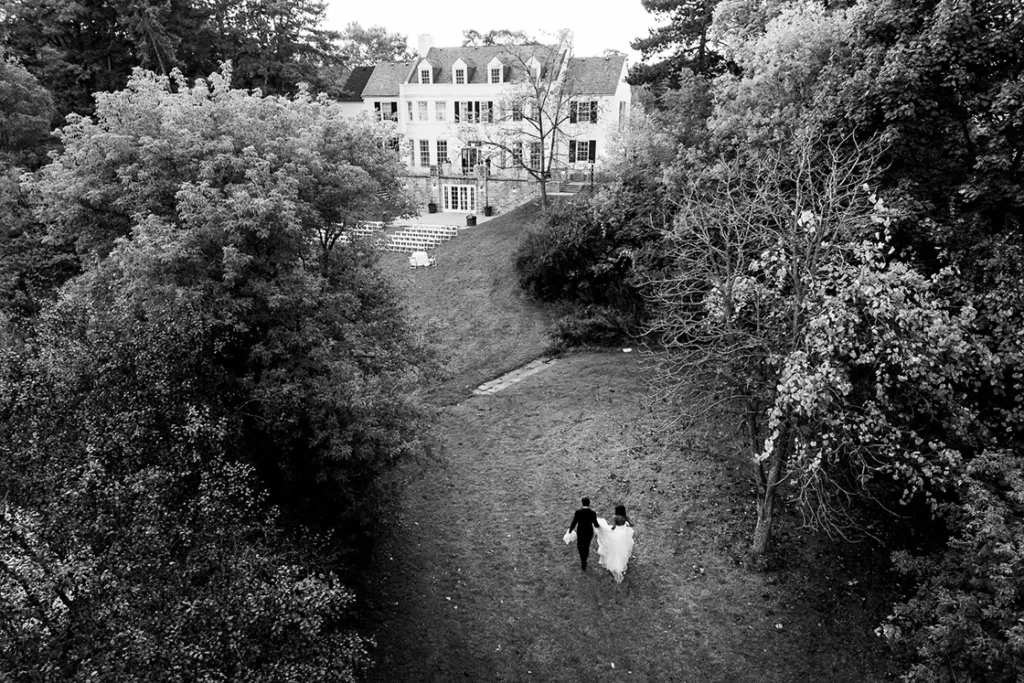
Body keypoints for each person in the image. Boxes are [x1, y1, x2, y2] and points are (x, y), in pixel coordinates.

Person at [596, 512, 635, 583]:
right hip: (622, 547)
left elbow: (606, 531)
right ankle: (621, 568)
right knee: (622, 557)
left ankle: (617, 569)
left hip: (615, 548)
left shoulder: (612, 532)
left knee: (615, 560)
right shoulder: (625, 527)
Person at [568, 497, 599, 571]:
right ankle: (585, 560)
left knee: (580, 545)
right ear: (589, 503)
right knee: (587, 546)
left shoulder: (578, 512)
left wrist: (570, 530)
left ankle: (583, 560)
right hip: (589, 532)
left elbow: (574, 522)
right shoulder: (592, 513)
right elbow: (595, 524)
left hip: (581, 531)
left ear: (582, 503)